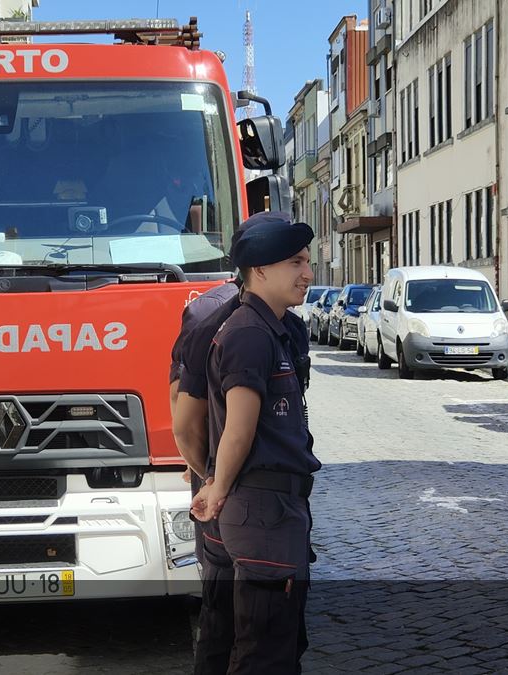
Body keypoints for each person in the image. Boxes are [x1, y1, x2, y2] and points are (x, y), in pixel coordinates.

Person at [169, 212, 312, 674]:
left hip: (249, 505)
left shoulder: (275, 325)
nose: (308, 274)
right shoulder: (247, 330)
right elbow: (228, 424)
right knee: (264, 648)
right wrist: (216, 482)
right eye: (296, 262)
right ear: (260, 269)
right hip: (259, 509)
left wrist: (215, 484)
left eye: (307, 261)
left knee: (229, 631)